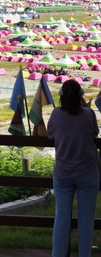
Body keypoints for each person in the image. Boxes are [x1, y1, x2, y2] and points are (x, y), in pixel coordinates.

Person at [47, 80, 99, 257]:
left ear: (61, 98)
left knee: (61, 217)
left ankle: (58, 254)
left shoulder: (56, 114)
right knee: (86, 220)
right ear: (81, 97)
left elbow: (51, 134)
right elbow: (94, 133)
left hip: (63, 174)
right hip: (87, 172)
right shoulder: (88, 114)